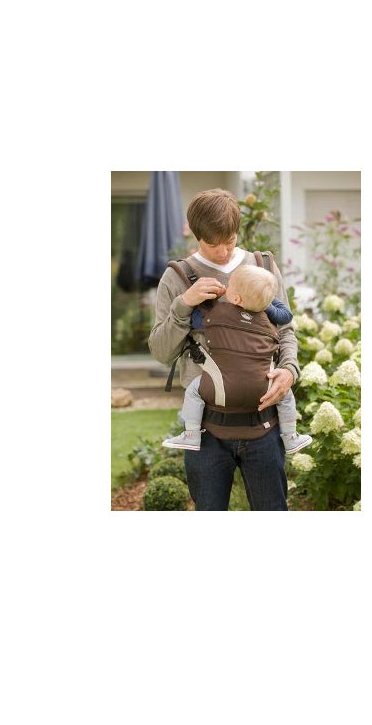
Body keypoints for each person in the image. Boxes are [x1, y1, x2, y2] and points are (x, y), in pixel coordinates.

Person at [148, 188, 300, 511]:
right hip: (206, 430)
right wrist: (184, 304)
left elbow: (285, 331)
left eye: (229, 241)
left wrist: (289, 370)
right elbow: (161, 352)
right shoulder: (177, 278)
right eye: (212, 243)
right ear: (196, 235)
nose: (222, 251)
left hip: (264, 423)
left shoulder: (262, 266)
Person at [160, 263, 313, 455]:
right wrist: (265, 301)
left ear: (236, 298)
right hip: (263, 387)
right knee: (285, 394)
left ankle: (191, 434)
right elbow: (286, 315)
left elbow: (194, 321)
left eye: (230, 285)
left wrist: (199, 300)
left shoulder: (216, 315)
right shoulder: (269, 319)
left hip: (222, 389)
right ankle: (290, 437)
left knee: (193, 391)